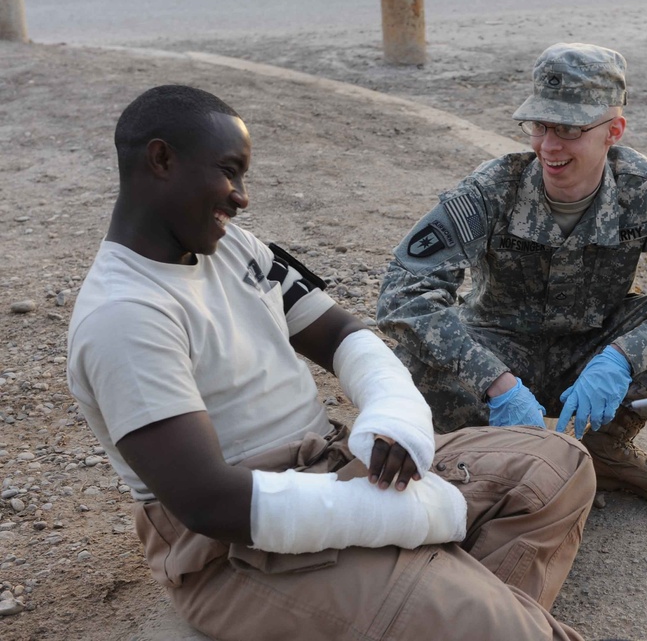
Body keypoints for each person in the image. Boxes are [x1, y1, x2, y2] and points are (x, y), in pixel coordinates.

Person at [66, 84, 602, 641]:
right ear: (161, 160)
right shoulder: (124, 315)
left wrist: (394, 413)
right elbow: (208, 503)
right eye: (229, 171)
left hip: (331, 462)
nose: (242, 197)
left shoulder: (233, 248)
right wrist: (400, 517)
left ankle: (438, 603)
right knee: (503, 624)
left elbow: (343, 333)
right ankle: (455, 607)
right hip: (238, 543)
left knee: (557, 466)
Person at [376, 43, 647, 508]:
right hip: (499, 350)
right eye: (541, 126)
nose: (549, 146)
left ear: (614, 131)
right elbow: (404, 293)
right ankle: (498, 458)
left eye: (569, 130)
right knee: (410, 355)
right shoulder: (492, 189)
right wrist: (495, 381)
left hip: (595, 353)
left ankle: (604, 449)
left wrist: (622, 358)